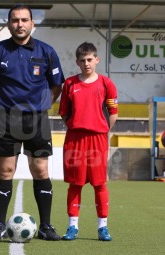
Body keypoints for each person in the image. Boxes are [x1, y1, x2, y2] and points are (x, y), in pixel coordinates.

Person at [0, 4, 64, 241]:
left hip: (37, 119)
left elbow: (57, 83)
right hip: (6, 118)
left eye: (24, 20)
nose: (20, 24)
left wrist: (43, 103)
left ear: (32, 23)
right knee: (5, 171)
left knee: (40, 170)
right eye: (15, 20)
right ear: (8, 24)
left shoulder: (47, 51)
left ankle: (46, 226)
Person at [58, 42, 118, 241]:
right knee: (75, 184)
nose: (86, 63)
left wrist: (101, 129)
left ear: (97, 60)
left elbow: (113, 112)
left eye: (90, 59)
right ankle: (72, 227)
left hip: (98, 139)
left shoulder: (106, 83)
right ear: (77, 62)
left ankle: (103, 228)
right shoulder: (70, 84)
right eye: (82, 60)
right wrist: (78, 126)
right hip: (75, 139)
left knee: (99, 184)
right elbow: (64, 113)